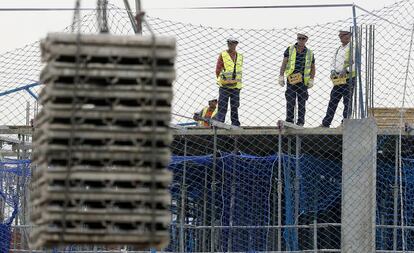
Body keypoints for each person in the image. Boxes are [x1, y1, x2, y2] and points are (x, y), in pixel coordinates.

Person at [321, 28, 356, 128]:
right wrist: (332, 71)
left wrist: (346, 70)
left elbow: (356, 63)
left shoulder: (353, 48)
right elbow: (333, 62)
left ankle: (345, 122)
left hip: (348, 78)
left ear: (348, 36)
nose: (340, 38)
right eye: (339, 36)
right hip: (338, 79)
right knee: (333, 100)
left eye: (342, 35)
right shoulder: (338, 49)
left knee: (347, 101)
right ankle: (326, 123)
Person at [279, 33, 315, 127]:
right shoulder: (290, 49)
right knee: (290, 100)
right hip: (292, 79)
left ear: (306, 39)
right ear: (297, 38)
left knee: (302, 102)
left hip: (303, 81)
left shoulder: (310, 53)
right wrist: (281, 76)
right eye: (299, 38)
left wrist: (311, 79)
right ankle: (289, 120)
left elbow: (313, 67)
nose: (301, 40)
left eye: (303, 38)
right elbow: (284, 62)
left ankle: (300, 122)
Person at [215, 36, 243, 126]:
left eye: (233, 43)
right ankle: (220, 122)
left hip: (236, 86)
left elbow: (239, 70)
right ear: (227, 44)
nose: (231, 45)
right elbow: (218, 69)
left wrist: (235, 81)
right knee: (222, 105)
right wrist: (224, 80)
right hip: (225, 86)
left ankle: (235, 123)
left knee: (235, 106)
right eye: (229, 43)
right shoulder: (223, 54)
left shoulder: (240, 56)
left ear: (236, 44)